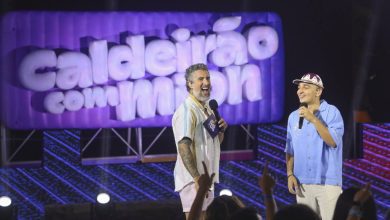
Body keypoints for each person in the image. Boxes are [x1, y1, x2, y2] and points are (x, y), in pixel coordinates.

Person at [285, 73, 344, 220]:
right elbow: (290, 149)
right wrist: (290, 174)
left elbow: (332, 141)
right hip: (302, 183)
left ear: (318, 91)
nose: (300, 91)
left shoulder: (332, 112)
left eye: (306, 87)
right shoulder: (293, 117)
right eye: (299, 88)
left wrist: (313, 119)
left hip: (328, 183)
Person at [172, 63, 228, 219]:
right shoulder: (187, 110)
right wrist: (196, 178)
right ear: (189, 84)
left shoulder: (207, 109)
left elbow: (214, 144)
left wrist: (221, 131)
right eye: (200, 79)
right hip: (194, 179)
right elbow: (183, 146)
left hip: (205, 179)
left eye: (208, 78)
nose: (207, 82)